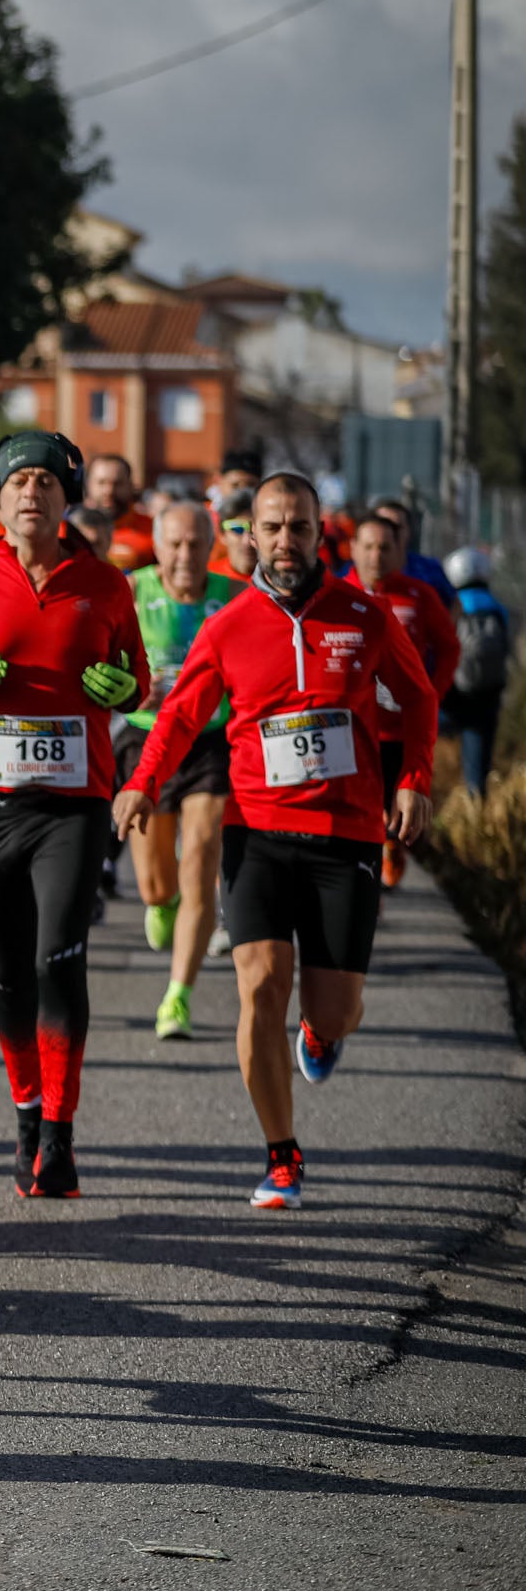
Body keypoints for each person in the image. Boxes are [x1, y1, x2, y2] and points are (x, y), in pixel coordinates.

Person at [116, 473, 434, 1212]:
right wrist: (145, 781)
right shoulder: (227, 624)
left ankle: (324, 1036)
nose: (285, 541)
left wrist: (414, 777)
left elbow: (417, 696)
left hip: (345, 833)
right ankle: (281, 1155)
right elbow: (181, 712)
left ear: (320, 534)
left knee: (334, 1010)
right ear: (250, 536)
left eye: (299, 528)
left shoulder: (365, 613)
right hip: (256, 829)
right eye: (272, 528)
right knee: (260, 988)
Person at [0, 430, 148, 1198]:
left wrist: (122, 691)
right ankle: (26, 1114)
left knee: (57, 959)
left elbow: (138, 677)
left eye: (46, 481)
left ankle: (60, 1134)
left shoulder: (106, 583)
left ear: (69, 498)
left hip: (73, 807)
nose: (32, 492)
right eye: (18, 481)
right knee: (9, 980)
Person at [118, 500, 241, 1039]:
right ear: (158, 545)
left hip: (210, 742)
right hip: (145, 738)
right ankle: (158, 901)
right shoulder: (131, 591)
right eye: (175, 543)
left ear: (210, 545)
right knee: (154, 881)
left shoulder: (233, 597)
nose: (185, 555)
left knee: (202, 855)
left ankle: (178, 996)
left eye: (196, 544)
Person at [344, 512, 458, 888]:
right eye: (369, 547)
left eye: (385, 547)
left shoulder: (418, 594)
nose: (376, 556)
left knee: (395, 810)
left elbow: (448, 648)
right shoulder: (336, 594)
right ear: (353, 549)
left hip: (400, 730)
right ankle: (367, 885)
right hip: (354, 729)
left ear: (399, 551)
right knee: (363, 812)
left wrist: (431, 694)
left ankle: (392, 847)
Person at [443, 546, 511, 794]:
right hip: (488, 695)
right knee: (477, 771)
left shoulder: (453, 605)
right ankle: (476, 808)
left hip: (454, 695)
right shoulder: (497, 607)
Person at [86, 452, 155, 571]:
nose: (109, 491)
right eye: (101, 482)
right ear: (89, 485)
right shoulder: (70, 530)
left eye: (117, 483)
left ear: (130, 485)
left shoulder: (153, 529)